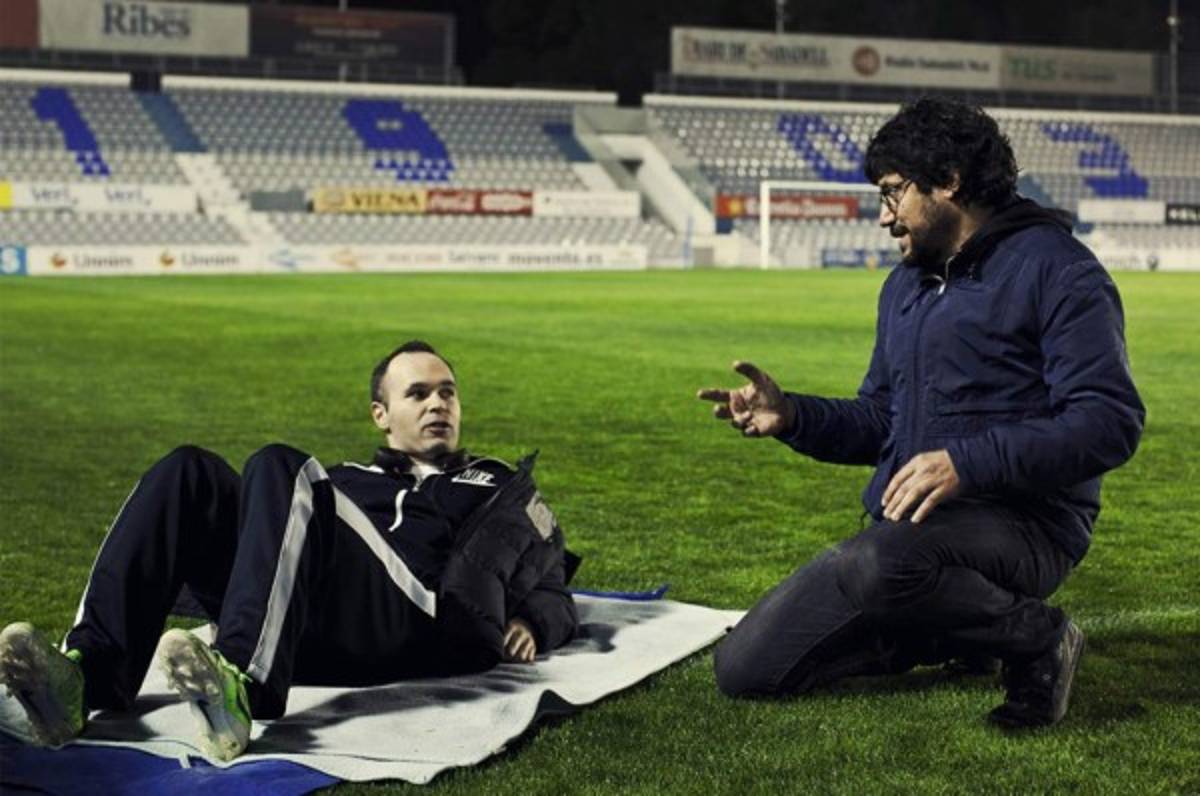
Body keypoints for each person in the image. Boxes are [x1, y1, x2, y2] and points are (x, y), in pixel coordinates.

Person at [698, 97, 1144, 728]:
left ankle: (1038, 638)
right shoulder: (905, 286)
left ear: (949, 180)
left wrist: (967, 464)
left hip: (1026, 525)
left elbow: (1108, 422)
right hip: (911, 532)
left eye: (892, 192)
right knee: (745, 669)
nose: (884, 217)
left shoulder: (1059, 271)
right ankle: (955, 631)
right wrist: (793, 416)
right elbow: (882, 419)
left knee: (881, 563)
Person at [0, 340, 579, 760]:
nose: (438, 405)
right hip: (312, 628)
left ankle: (242, 684)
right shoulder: (346, 480)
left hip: (417, 618)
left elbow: (548, 568)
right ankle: (89, 675)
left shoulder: (493, 481)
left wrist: (534, 618)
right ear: (381, 415)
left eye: (447, 393)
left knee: (280, 464)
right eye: (418, 394)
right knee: (188, 471)